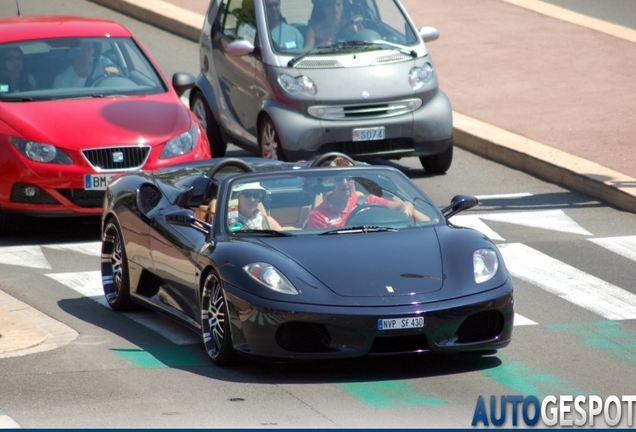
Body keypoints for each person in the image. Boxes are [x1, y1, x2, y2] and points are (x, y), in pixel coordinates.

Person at [306, 157, 412, 229]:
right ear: (330, 182)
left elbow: (400, 206)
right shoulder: (317, 216)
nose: (345, 183)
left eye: (349, 178)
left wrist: (405, 212)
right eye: (339, 179)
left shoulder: (369, 200)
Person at [53, 40, 118, 88]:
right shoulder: (61, 80)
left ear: (93, 50)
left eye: (89, 49)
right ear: (73, 52)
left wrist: (111, 72)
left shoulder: (101, 62)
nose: (85, 54)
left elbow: (116, 73)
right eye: (81, 50)